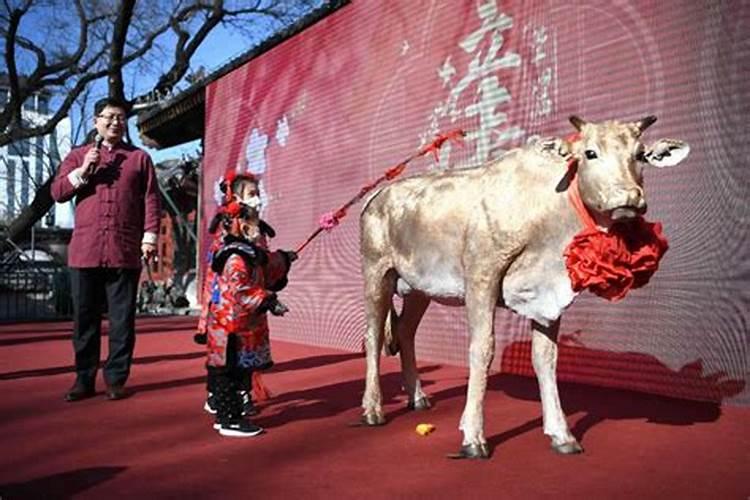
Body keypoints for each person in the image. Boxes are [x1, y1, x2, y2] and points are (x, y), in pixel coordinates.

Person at [51, 97, 160, 402]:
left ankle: (115, 379)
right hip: (85, 251)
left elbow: (151, 199)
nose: (115, 122)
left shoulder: (140, 159)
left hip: (124, 250)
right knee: (84, 321)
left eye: (121, 118)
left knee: (122, 321)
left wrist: (150, 236)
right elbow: (58, 193)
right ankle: (83, 379)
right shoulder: (77, 156)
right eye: (109, 117)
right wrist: (84, 171)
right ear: (96, 121)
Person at [196, 172, 295, 416]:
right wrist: (264, 297)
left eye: (258, 194)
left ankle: (241, 395)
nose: (258, 199)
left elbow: (262, 267)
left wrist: (282, 260)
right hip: (231, 307)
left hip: (250, 307)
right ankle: (224, 403)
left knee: (246, 355)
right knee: (228, 358)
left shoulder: (254, 230)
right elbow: (233, 275)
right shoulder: (229, 232)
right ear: (234, 197)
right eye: (252, 194)